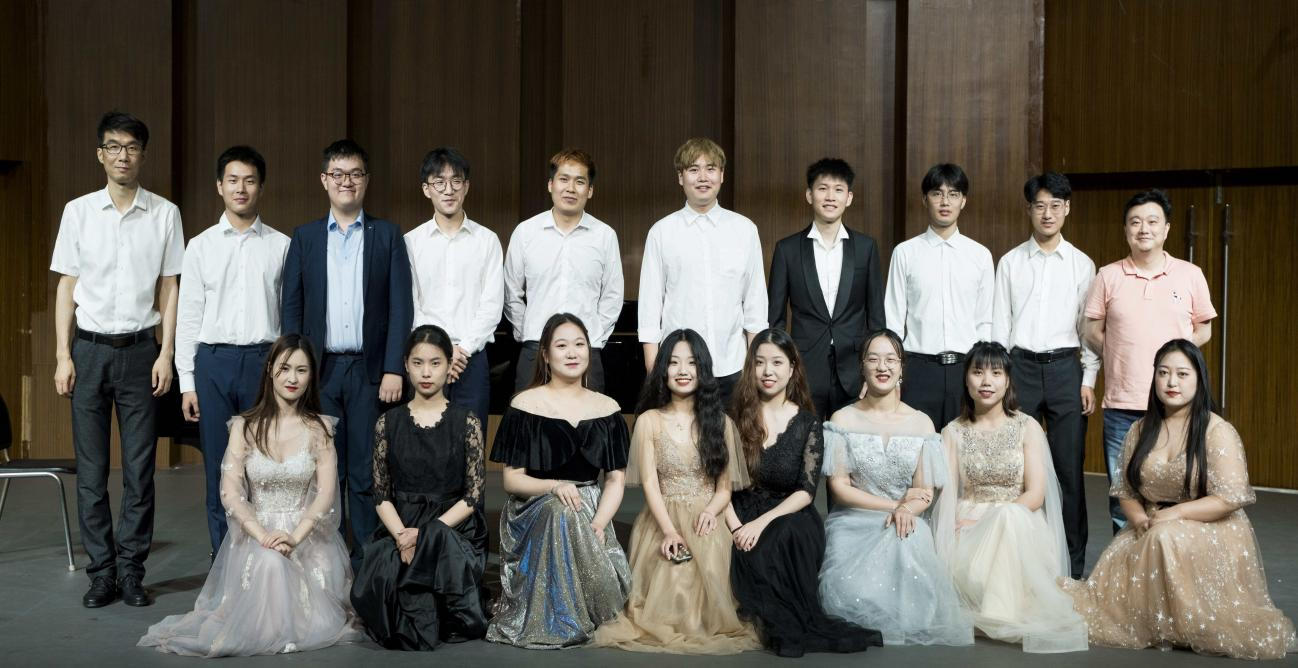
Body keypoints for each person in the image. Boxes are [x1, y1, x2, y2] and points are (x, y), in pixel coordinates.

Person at [1062, 340, 1297, 659]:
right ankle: (1158, 621)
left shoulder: (1216, 430)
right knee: (1099, 597)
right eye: (1163, 373)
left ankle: (1186, 623)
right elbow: (1125, 492)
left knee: (1165, 537)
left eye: (1182, 374)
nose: (1171, 382)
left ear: (1199, 379)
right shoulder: (1140, 429)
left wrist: (1175, 515)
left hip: (1210, 527)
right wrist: (1139, 519)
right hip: (1151, 523)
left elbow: (1230, 497)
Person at [138, 335, 363, 656]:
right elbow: (230, 492)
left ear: (311, 376)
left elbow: (326, 495)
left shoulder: (319, 429)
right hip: (257, 532)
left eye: (301, 370)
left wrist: (295, 537)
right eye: (285, 368)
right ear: (270, 369)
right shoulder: (244, 427)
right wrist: (263, 535)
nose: (293, 378)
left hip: (307, 536)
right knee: (270, 564)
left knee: (297, 589)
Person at [50, 111, 184, 608]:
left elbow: (170, 287)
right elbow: (66, 286)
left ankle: (131, 572)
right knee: (91, 473)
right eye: (113, 146)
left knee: (139, 470)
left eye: (131, 147)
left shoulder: (165, 213)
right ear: (100, 154)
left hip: (140, 352)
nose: (122, 155)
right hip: (87, 351)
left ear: (142, 155)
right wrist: (62, 355)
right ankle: (101, 573)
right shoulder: (78, 212)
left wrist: (166, 352)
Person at [281, 139, 413, 565]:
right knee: (323, 472)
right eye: (337, 174)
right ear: (324, 180)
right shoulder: (304, 237)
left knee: (365, 471)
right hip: (319, 372)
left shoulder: (387, 236)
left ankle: (366, 565)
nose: (346, 182)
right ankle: (328, 564)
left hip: (370, 372)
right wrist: (294, 371)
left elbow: (400, 308)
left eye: (355, 174)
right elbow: (292, 309)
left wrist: (394, 368)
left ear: (366, 180)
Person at [591, 329, 760, 654]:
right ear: (662, 370)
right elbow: (651, 485)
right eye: (674, 362)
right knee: (666, 590)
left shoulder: (721, 423)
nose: (683, 370)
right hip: (661, 518)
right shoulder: (649, 421)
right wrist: (669, 531)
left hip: (707, 518)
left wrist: (710, 511)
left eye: (692, 362)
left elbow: (723, 489)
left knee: (705, 592)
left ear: (703, 369)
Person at [724, 328, 882, 657]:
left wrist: (760, 524)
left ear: (792, 367)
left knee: (785, 535)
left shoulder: (808, 423)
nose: (768, 371)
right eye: (760, 362)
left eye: (777, 362)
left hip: (788, 512)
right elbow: (719, 484)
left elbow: (806, 492)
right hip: (738, 511)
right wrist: (737, 527)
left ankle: (785, 622)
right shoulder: (734, 418)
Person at [818, 329, 974, 646]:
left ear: (902, 367)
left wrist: (908, 509)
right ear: (862, 367)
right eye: (873, 359)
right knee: (848, 594)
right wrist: (896, 507)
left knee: (909, 546)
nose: (882, 367)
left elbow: (924, 492)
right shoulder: (842, 419)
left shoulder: (921, 422)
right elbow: (839, 488)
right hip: (854, 520)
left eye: (891, 359)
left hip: (907, 518)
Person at [486, 313, 632, 648]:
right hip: (535, 506)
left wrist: (599, 523)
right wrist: (554, 486)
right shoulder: (524, 405)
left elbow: (615, 480)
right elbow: (511, 480)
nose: (572, 352)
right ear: (545, 354)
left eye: (579, 344)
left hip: (589, 508)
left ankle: (596, 605)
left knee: (570, 511)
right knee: (560, 509)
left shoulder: (608, 409)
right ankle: (564, 618)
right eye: (562, 345)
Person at [931, 341, 1087, 653]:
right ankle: (1001, 613)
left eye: (996, 373)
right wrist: (954, 529)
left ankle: (996, 615)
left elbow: (1036, 494)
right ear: (966, 380)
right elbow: (946, 497)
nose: (986, 381)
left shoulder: (1027, 427)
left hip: (1020, 520)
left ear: (1008, 381)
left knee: (1009, 517)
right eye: (977, 372)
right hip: (969, 523)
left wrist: (997, 517)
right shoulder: (952, 432)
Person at [176, 145, 290, 557]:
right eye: (233, 180)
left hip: (265, 364)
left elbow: (288, 316)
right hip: (214, 363)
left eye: (250, 180)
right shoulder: (200, 246)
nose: (241, 188)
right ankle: (223, 562)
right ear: (219, 186)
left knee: (265, 468)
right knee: (220, 469)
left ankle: (262, 563)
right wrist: (187, 382)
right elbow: (188, 316)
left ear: (261, 187)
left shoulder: (281, 245)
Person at [1084, 189, 1215, 532]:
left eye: (1153, 221)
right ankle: (1126, 560)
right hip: (1122, 404)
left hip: (1175, 406)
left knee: (1178, 492)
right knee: (1122, 495)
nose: (1144, 229)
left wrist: (1174, 360)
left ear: (1166, 229)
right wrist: (1119, 351)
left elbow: (1204, 329)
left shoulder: (1190, 274)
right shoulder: (1108, 275)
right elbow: (1092, 330)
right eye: (1135, 222)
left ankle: (1169, 557)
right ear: (1126, 229)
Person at [351, 325, 488, 650]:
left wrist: (426, 535)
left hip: (450, 528)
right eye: (418, 363)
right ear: (406, 365)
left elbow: (472, 496)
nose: (426, 372)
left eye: (435, 363)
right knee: (387, 578)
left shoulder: (467, 421)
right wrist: (403, 536)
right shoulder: (388, 423)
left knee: (437, 571)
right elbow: (381, 494)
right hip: (401, 525)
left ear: (449, 365)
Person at [992, 171, 1098, 579]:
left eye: (1056, 205)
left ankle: (1071, 568)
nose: (1048, 213)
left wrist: (1088, 380)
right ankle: (1022, 562)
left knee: (1068, 469)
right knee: (1016, 467)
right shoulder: (1011, 262)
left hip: (1065, 369)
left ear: (1067, 209)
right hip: (1019, 368)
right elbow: (999, 324)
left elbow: (1088, 328)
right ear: (1029, 210)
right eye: (1040, 205)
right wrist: (1000, 378)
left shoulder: (1081, 264)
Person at [639, 138, 767, 405]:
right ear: (680, 177)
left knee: (733, 433)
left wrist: (754, 367)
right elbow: (650, 309)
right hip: (679, 370)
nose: (703, 177)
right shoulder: (662, 232)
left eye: (710, 168)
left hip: (733, 366)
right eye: (693, 169)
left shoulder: (745, 230)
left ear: (722, 175)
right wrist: (654, 370)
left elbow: (755, 306)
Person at [769, 158, 885, 420]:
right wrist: (781, 369)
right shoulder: (787, 249)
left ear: (849, 197)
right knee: (806, 441)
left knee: (850, 442)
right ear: (809, 195)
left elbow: (876, 317)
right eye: (822, 188)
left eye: (838, 189)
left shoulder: (866, 248)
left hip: (854, 371)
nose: (830, 196)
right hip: (804, 369)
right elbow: (775, 320)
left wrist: (873, 371)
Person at [884, 163, 994, 430]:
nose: (945, 202)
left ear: (963, 201)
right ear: (925, 199)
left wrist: (984, 373)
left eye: (953, 194)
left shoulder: (980, 255)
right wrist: (895, 376)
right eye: (937, 193)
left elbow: (985, 322)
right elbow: (893, 320)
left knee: (966, 448)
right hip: (918, 369)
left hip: (966, 369)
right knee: (917, 447)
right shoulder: (905, 252)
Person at [504, 149, 623, 393]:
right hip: (536, 348)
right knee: (527, 416)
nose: (570, 188)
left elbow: (613, 294)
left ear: (590, 190)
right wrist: (527, 331)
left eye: (579, 181)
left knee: (590, 417)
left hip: (586, 351)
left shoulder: (604, 236)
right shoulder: (526, 233)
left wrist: (594, 337)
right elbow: (510, 291)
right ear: (551, 185)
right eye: (564, 179)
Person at [406, 148, 504, 424]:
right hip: (425, 357)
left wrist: (462, 350)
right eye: (439, 182)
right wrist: (441, 349)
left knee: (471, 438)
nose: (448, 190)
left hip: (471, 358)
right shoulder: (411, 242)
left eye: (456, 181)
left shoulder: (487, 241)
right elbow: (411, 304)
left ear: (466, 186)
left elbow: (492, 305)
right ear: (426, 189)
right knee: (424, 439)